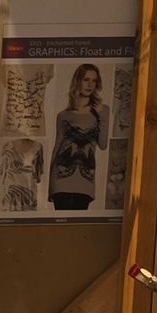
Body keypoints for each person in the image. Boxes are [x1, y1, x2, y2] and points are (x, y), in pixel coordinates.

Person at [49, 62, 104, 212]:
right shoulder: (63, 116)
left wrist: (102, 116)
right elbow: (56, 148)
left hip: (84, 181)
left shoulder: (100, 113)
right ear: (78, 81)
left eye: (94, 80)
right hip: (60, 179)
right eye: (86, 79)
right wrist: (50, 187)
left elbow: (103, 144)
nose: (90, 85)